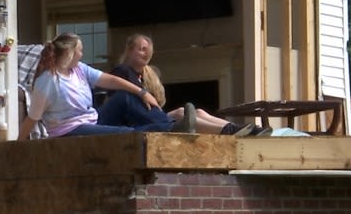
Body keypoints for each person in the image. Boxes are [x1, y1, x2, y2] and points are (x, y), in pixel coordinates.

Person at [17, 33, 195, 140]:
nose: (82, 54)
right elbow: (32, 118)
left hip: (91, 119)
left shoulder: (79, 69)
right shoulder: (47, 82)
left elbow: (111, 81)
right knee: (125, 133)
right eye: (80, 50)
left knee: (125, 97)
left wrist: (142, 92)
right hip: (71, 130)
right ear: (70, 53)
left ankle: (170, 124)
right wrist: (18, 143)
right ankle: (172, 129)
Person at [111, 33, 271, 137]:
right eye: (141, 49)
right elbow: (131, 103)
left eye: (149, 51)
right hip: (138, 123)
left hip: (152, 119)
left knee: (198, 111)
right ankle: (231, 131)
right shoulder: (122, 71)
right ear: (130, 50)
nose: (146, 54)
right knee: (182, 114)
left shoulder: (146, 75)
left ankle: (240, 129)